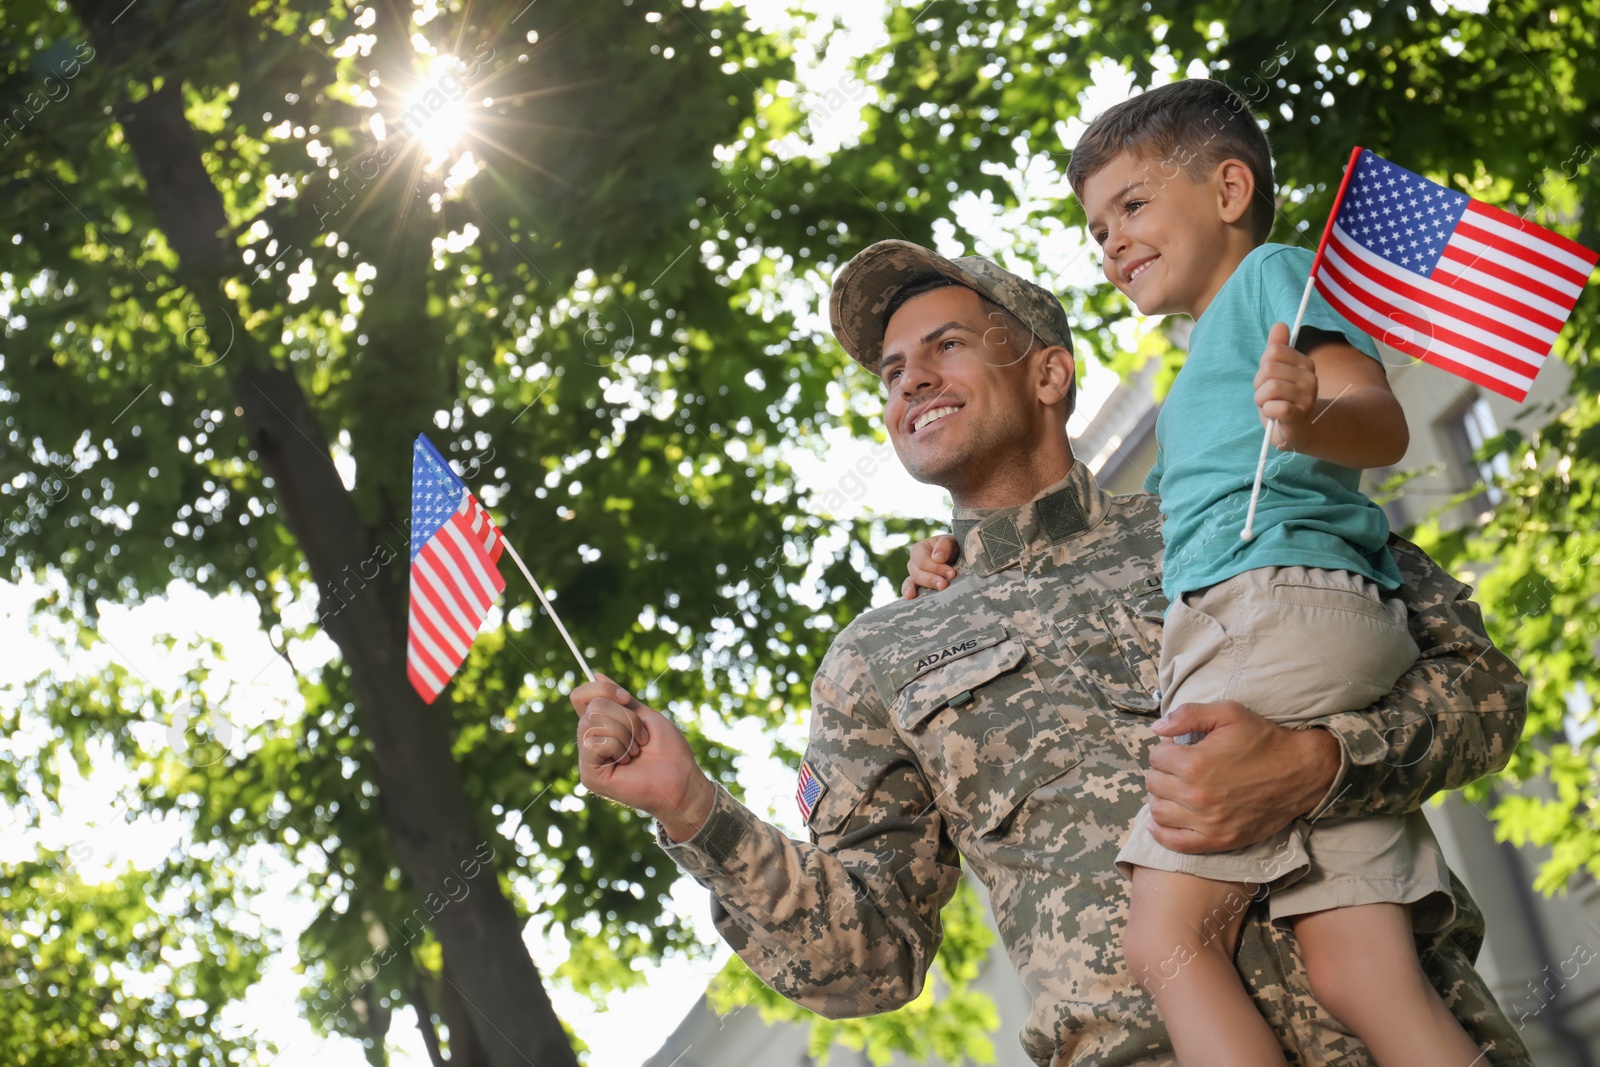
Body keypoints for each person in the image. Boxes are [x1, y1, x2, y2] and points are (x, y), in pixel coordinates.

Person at [568, 238, 1532, 1066]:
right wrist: (691, 809)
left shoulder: (1225, 508)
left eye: (946, 345)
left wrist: (1322, 765)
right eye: (892, 370)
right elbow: (867, 960)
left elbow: (1479, 683)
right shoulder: (880, 656)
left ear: (1048, 374)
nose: (910, 378)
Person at [908, 80, 1481, 1066]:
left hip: (1268, 615)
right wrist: (956, 571)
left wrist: (1309, 412)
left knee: (1166, 936)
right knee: (1362, 969)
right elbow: (1156, 530)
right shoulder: (1192, 388)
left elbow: (1376, 418)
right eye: (1094, 227)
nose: (1111, 239)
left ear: (1227, 189)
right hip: (1307, 626)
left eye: (1131, 204)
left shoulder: (1270, 280)